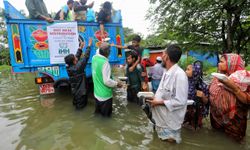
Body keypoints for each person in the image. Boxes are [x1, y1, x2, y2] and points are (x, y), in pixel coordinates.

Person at [146, 45, 188, 144]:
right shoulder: (166, 72)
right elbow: (162, 91)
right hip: (161, 119)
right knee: (161, 143)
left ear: (166, 57)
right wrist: (152, 99)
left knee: (170, 145)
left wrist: (159, 102)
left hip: (170, 122)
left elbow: (181, 101)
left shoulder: (180, 75)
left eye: (163, 54)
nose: (161, 56)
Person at [209, 53, 250, 142]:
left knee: (233, 144)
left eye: (221, 62)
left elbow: (247, 100)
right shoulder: (217, 78)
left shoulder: (244, 81)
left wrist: (234, 88)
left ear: (231, 64)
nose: (218, 64)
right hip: (216, 121)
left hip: (234, 125)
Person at [92, 42, 123, 117]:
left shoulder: (94, 58)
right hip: (105, 96)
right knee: (106, 117)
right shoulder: (105, 63)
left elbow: (98, 50)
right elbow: (106, 81)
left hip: (97, 94)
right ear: (108, 52)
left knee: (98, 115)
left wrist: (103, 44)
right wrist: (117, 83)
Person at [64, 38, 92, 109]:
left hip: (75, 92)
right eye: (75, 58)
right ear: (73, 61)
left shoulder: (69, 67)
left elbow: (76, 56)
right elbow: (86, 57)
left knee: (76, 106)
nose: (76, 58)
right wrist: (89, 45)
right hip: (81, 94)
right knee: (81, 109)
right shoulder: (78, 68)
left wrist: (80, 48)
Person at [183, 61, 209, 130]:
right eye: (186, 69)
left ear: (195, 72)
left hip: (196, 112)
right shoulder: (183, 82)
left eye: (188, 69)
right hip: (184, 110)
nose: (185, 71)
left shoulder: (203, 85)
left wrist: (202, 96)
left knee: (195, 129)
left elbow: (206, 102)